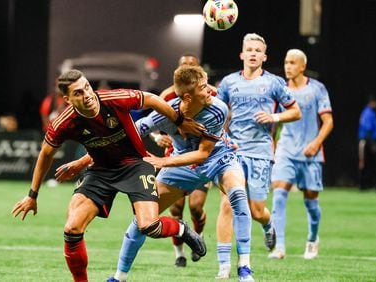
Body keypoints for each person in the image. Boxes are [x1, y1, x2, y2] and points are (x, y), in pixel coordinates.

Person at [11, 69, 206, 282]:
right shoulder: (63, 123)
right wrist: (32, 195)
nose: (87, 95)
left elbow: (151, 99)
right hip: (101, 171)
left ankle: (181, 229)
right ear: (67, 99)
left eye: (87, 87)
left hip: (136, 164)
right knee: (72, 228)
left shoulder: (114, 99)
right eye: (78, 93)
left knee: (149, 226)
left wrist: (178, 120)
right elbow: (45, 154)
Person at [103, 65, 254, 282]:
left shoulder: (218, 108)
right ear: (187, 96)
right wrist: (90, 157)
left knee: (238, 196)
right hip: (182, 167)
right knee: (143, 218)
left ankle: (244, 268)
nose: (210, 91)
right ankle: (119, 277)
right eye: (203, 87)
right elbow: (137, 128)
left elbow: (203, 154)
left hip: (219, 159)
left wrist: (162, 161)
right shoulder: (167, 112)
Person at [216, 33, 302, 267]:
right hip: (232, 152)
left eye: (258, 50)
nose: (253, 53)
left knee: (256, 211)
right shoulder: (228, 83)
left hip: (261, 152)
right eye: (249, 50)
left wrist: (273, 116)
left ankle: (268, 224)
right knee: (227, 205)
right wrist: (220, 141)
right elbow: (218, 114)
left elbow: (295, 111)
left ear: (264, 57)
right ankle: (224, 267)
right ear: (242, 54)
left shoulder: (274, 82)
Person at [267, 49, 334, 260]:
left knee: (311, 203)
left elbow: (328, 122)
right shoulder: (281, 90)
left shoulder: (317, 89)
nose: (288, 66)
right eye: (286, 62)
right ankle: (279, 247)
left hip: (310, 152)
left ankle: (313, 239)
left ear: (302, 66)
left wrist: (316, 143)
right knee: (278, 195)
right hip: (286, 150)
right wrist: (272, 147)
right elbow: (272, 122)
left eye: (293, 63)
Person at [155, 53, 218, 267]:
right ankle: (179, 253)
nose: (189, 67)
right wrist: (158, 137)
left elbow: (220, 119)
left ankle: (196, 238)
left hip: (200, 158)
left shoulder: (209, 94)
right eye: (184, 65)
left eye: (193, 65)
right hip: (174, 156)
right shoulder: (167, 96)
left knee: (196, 207)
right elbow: (151, 124)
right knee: (175, 209)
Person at [358, 95, 376, 190]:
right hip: (366, 141)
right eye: (375, 103)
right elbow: (367, 129)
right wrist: (372, 144)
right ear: (372, 102)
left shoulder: (371, 112)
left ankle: (370, 184)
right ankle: (363, 185)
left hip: (369, 140)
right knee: (364, 162)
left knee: (370, 163)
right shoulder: (368, 113)